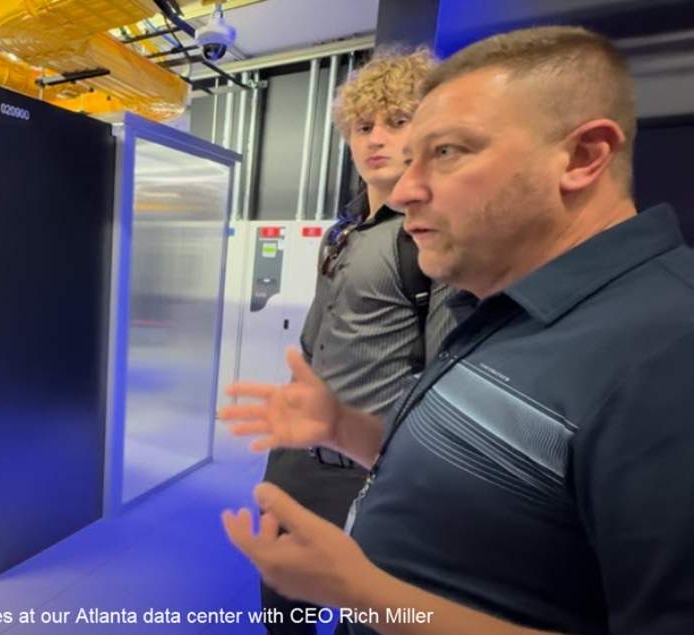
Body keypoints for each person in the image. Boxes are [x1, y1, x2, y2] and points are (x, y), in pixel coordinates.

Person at [220, 25, 694, 635]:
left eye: (446, 151)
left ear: (582, 157)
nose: (407, 187)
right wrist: (341, 427)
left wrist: (361, 591)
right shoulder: (506, 299)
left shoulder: (669, 350)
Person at [260, 48, 458, 634]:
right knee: (281, 605)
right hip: (298, 457)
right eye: (363, 126)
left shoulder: (433, 236)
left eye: (397, 121)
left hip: (371, 470)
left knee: (368, 619)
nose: (377, 139)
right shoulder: (341, 232)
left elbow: (446, 373)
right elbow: (316, 340)